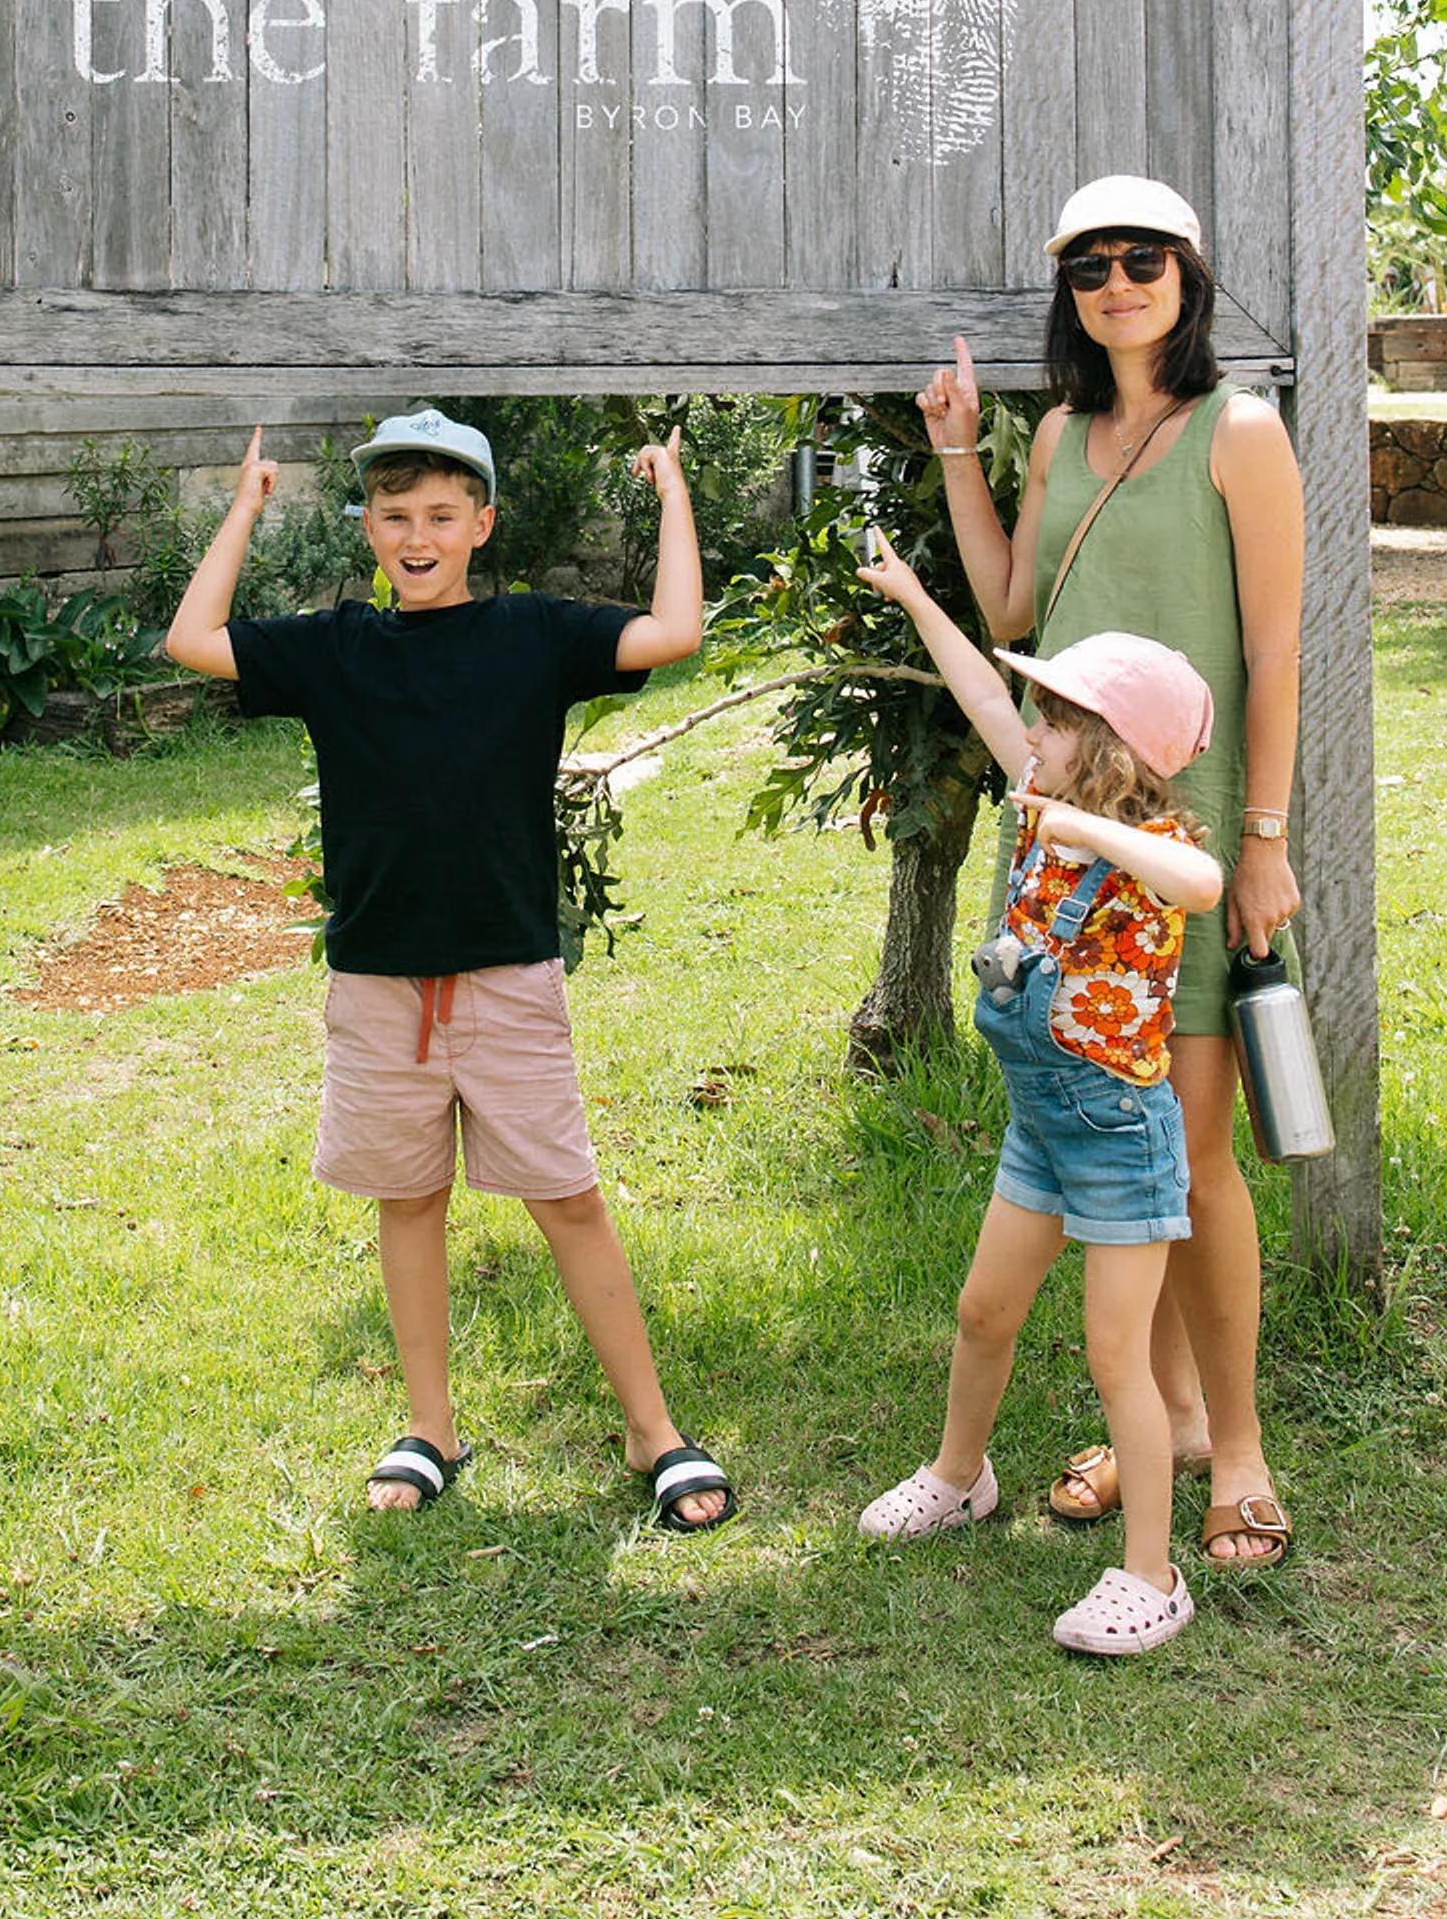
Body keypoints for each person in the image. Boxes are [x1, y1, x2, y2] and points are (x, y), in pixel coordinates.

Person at [164, 406, 734, 1530]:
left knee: (566, 1199)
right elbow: (192, 640)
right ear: (369, 529)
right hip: (378, 982)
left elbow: (673, 633)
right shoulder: (335, 648)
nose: (413, 534)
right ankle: (429, 1424)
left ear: (480, 522)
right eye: (392, 515)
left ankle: (652, 1429)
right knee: (407, 1198)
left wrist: (673, 494)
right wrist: (240, 509)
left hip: (506, 977)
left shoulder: (531, 634)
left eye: (437, 514)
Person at [916, 175, 1302, 1570]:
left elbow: (1276, 653)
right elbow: (1016, 608)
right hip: (1070, 857)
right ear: (1068, 292)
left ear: (1190, 276)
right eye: (1090, 266)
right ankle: (1179, 1420)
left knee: (1194, 1153)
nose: (1118, 282)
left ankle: (1240, 1451)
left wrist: (1261, 841)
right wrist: (963, 456)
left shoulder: (1239, 431)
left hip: (1179, 851)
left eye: (1144, 259)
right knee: (1116, 1143)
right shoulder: (1062, 435)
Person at [853, 528, 1222, 1656]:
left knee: (1117, 1357)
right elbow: (977, 687)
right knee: (982, 1312)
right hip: (1042, 1129)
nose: (1031, 735)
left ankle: (1151, 1576)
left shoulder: (1146, 842)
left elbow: (1201, 884)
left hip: (1119, 1133)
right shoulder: (1036, 791)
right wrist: (914, 596)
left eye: (1054, 723)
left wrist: (1089, 828)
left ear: (1106, 753)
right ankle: (959, 1477)